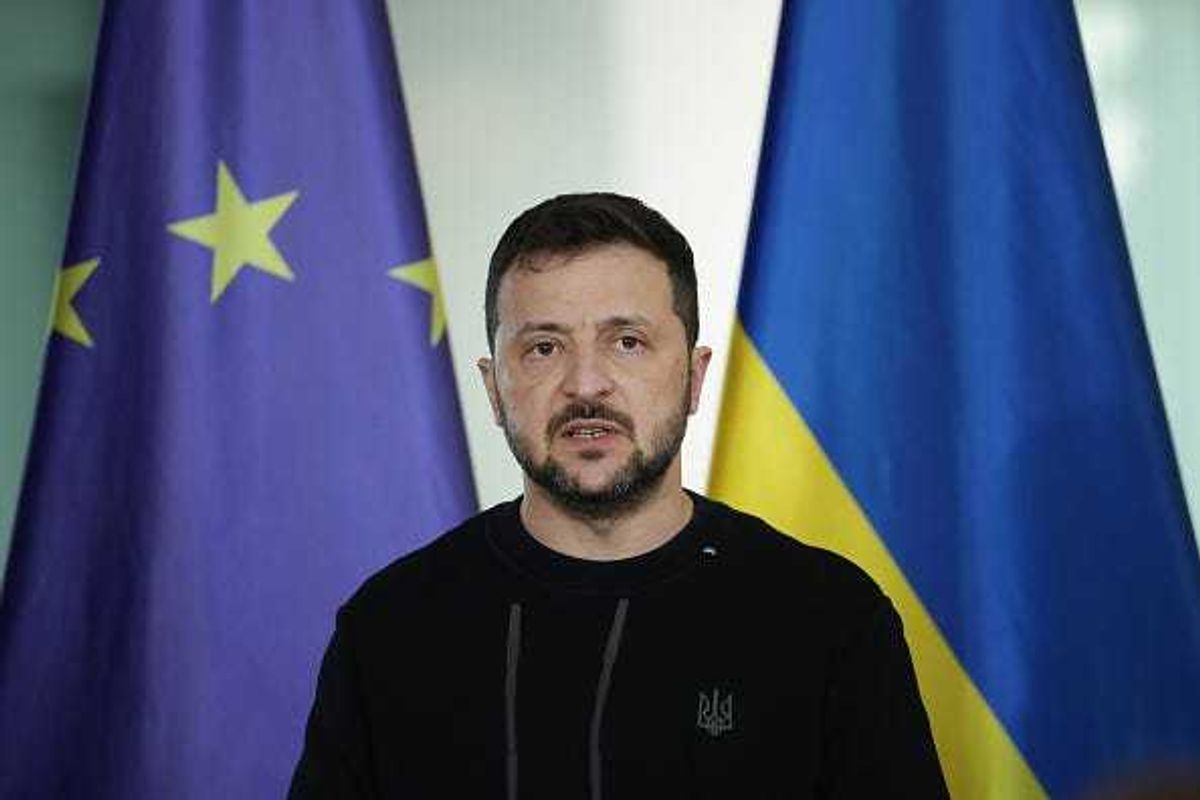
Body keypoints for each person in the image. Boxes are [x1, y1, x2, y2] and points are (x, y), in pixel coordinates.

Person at [289, 193, 948, 798]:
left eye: (626, 343)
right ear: (494, 388)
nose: (586, 384)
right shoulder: (392, 629)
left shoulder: (828, 622)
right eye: (544, 348)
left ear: (693, 376)